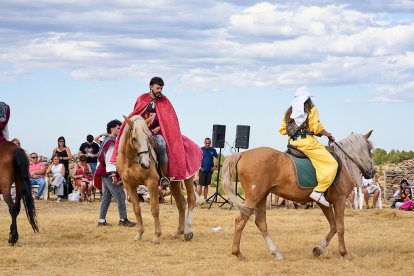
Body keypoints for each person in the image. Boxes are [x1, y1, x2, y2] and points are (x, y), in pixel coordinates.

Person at [110, 77, 201, 188]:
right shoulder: (142, 99)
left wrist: (159, 127)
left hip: (157, 132)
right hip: (142, 130)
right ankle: (124, 175)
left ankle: (164, 176)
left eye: (161, 88)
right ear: (151, 86)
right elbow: (136, 115)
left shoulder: (165, 101)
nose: (159, 91)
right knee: (130, 143)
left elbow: (169, 121)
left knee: (162, 144)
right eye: (158, 88)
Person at [279, 87, 338, 207]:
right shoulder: (311, 109)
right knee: (332, 164)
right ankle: (319, 191)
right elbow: (315, 127)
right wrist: (328, 135)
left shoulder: (289, 112)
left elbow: (282, 130)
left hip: (292, 143)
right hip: (307, 143)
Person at [96, 119, 136, 227]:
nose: (120, 130)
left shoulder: (108, 140)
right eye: (118, 128)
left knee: (106, 197)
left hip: (105, 171)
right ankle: (123, 220)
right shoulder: (111, 141)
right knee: (121, 195)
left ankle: (101, 221)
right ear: (112, 129)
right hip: (109, 172)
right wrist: (113, 175)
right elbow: (110, 159)